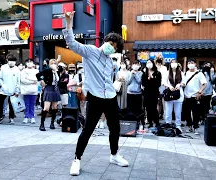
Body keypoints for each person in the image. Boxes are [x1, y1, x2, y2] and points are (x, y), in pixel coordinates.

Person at [63, 11, 128, 176]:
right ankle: (77, 160)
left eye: (115, 46)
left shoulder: (110, 61)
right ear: (105, 40)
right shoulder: (91, 51)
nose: (112, 47)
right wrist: (69, 23)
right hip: (95, 97)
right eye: (111, 43)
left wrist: (120, 78)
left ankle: (114, 155)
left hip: (111, 97)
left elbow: (112, 78)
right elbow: (72, 43)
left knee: (115, 127)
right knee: (88, 129)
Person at [183, 58, 207, 135]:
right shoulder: (185, 73)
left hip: (195, 96)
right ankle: (189, 126)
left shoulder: (199, 73)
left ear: (195, 64)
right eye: (189, 63)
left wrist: (199, 92)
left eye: (192, 63)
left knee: (195, 112)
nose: (190, 64)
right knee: (186, 112)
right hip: (186, 95)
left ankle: (195, 127)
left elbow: (204, 84)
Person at [36, 59, 61, 131]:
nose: (53, 64)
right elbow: (38, 75)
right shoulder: (47, 71)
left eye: (55, 63)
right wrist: (42, 80)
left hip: (55, 89)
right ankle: (42, 124)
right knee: (46, 108)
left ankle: (52, 123)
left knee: (55, 107)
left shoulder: (57, 71)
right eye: (52, 63)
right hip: (49, 88)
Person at [0, 54, 21, 124]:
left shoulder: (17, 69)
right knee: (0, 104)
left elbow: (18, 81)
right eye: (10, 60)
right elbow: (0, 78)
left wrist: (17, 90)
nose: (11, 62)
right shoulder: (3, 68)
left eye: (13, 61)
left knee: (12, 104)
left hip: (13, 89)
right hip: (3, 89)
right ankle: (0, 117)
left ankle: (11, 118)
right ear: (7, 60)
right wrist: (2, 85)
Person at [163, 60, 185, 132]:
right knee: (168, 110)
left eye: (175, 62)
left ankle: (178, 125)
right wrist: (169, 86)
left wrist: (180, 84)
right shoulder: (167, 73)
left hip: (178, 94)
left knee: (178, 111)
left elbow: (184, 82)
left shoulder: (181, 73)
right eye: (172, 63)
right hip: (169, 93)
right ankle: (168, 123)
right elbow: (163, 82)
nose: (173, 64)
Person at [142, 59, 161, 129]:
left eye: (150, 62)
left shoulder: (158, 73)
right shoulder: (144, 73)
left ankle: (156, 122)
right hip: (147, 93)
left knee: (154, 108)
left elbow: (158, 84)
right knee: (148, 108)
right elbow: (143, 83)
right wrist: (148, 79)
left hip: (154, 93)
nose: (149, 64)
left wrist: (152, 78)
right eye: (147, 63)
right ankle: (150, 122)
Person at [21, 59, 39, 124]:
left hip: (34, 90)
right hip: (26, 90)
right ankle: (26, 117)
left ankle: (32, 117)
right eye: (28, 62)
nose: (29, 63)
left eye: (30, 62)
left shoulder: (36, 71)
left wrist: (28, 78)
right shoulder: (23, 71)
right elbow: (23, 80)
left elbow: (37, 79)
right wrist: (32, 81)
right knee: (26, 104)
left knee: (32, 104)